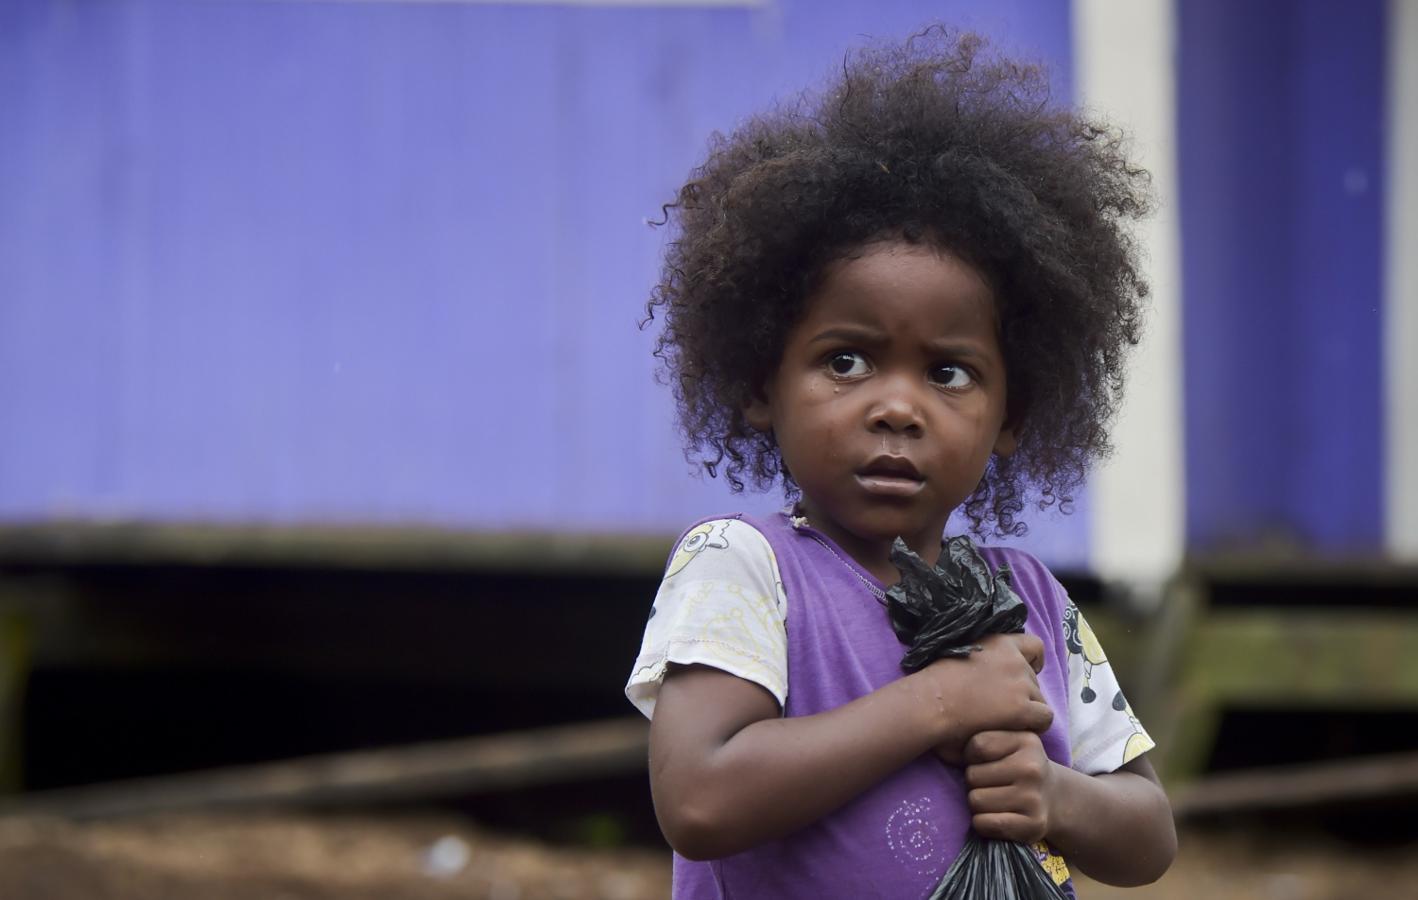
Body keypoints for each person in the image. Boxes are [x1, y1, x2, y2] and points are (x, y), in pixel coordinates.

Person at [625, 27, 1177, 899]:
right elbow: (700, 797)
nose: (896, 406)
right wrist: (938, 705)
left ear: (1011, 416)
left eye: (949, 373)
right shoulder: (743, 569)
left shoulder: (1033, 602)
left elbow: (1148, 835)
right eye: (846, 360)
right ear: (761, 382)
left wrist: (1051, 794)